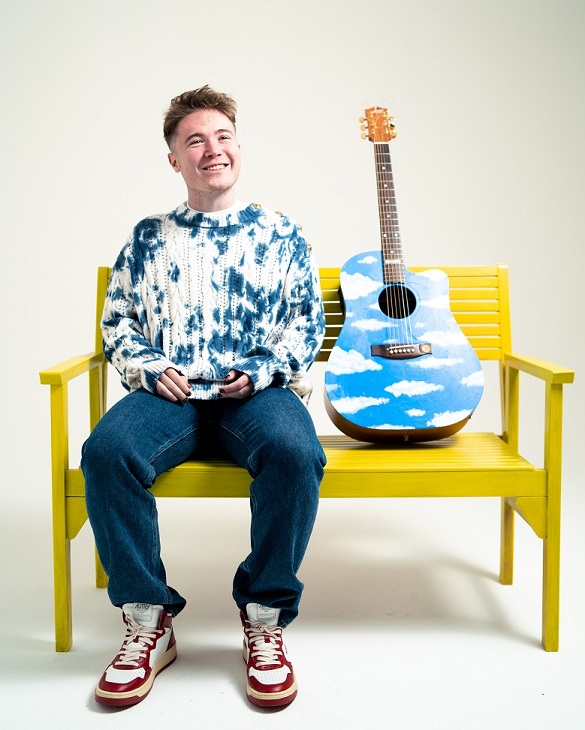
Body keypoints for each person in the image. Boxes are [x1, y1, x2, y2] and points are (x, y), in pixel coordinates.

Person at [80, 85, 326, 709]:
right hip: (174, 396)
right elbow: (118, 321)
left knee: (296, 452)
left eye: (222, 137)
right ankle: (147, 618)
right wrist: (147, 365)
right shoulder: (147, 238)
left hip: (256, 395)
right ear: (175, 159)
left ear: (238, 147)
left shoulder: (281, 234)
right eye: (195, 141)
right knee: (106, 452)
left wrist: (265, 368)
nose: (212, 149)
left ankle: (265, 616)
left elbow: (307, 323)